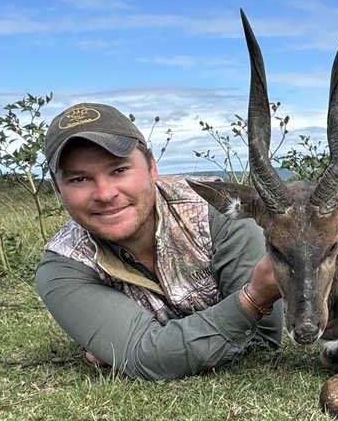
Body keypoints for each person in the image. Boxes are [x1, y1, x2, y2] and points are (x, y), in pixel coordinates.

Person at [35, 102, 283, 380]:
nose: (105, 194)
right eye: (80, 179)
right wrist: (253, 300)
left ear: (152, 167)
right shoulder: (63, 267)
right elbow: (147, 357)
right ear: (58, 190)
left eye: (119, 170)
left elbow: (262, 340)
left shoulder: (219, 207)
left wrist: (141, 347)